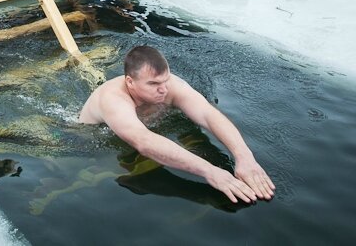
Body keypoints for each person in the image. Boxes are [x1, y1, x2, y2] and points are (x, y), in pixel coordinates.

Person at [79, 45, 276, 204]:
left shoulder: (171, 86)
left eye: (165, 80)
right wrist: (211, 171)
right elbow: (144, 141)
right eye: (154, 84)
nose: (163, 89)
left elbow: (208, 114)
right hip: (86, 140)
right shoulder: (113, 100)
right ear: (130, 82)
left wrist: (245, 157)